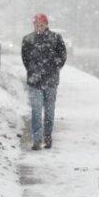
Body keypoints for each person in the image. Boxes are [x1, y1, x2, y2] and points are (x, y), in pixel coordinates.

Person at [21, 13, 67, 150]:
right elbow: (25, 59)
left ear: (47, 25)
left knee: (49, 110)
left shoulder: (56, 38)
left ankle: (47, 136)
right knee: (36, 110)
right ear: (33, 25)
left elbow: (62, 55)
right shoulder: (28, 40)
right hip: (35, 81)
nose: (39, 27)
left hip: (51, 80)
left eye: (42, 24)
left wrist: (55, 67)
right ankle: (36, 138)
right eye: (37, 25)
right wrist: (33, 70)